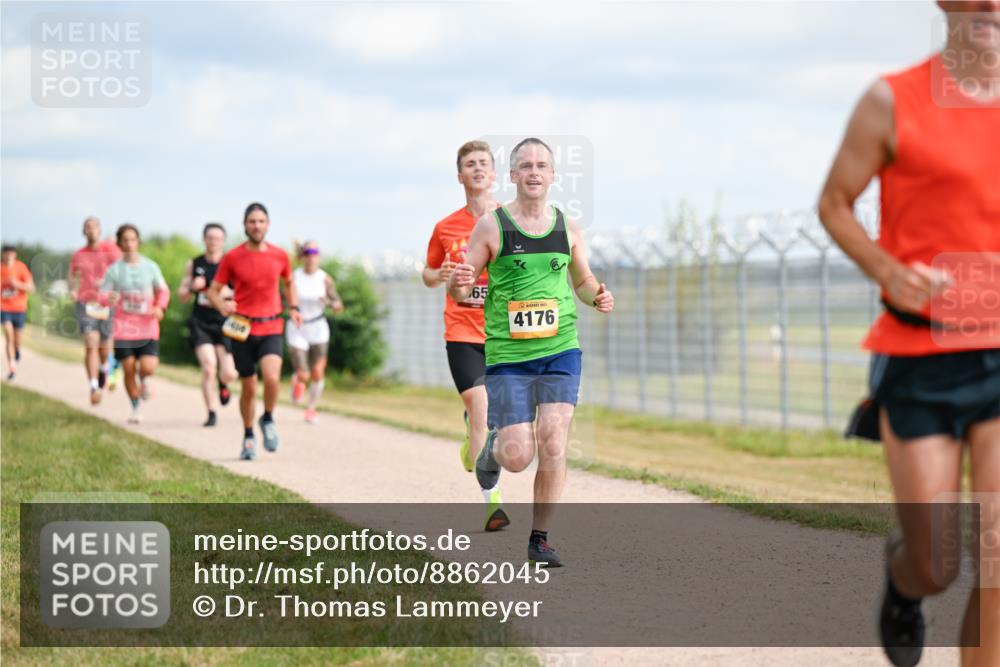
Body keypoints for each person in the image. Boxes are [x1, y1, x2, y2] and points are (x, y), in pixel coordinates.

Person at [818, 3, 1000, 665]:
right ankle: (905, 579)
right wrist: (888, 270)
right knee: (938, 562)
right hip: (923, 356)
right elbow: (835, 201)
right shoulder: (892, 99)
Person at [449, 137, 614, 567]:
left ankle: (539, 540)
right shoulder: (492, 225)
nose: (534, 172)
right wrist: (458, 281)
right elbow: (465, 286)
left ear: (554, 175)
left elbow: (582, 280)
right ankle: (493, 448)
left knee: (554, 440)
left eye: (542, 165)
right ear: (513, 175)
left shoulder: (569, 228)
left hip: (561, 350)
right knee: (518, 456)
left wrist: (596, 295)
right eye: (525, 165)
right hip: (508, 356)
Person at [424, 139, 510, 532]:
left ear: (493, 174)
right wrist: (439, 275)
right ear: (460, 176)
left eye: (483, 163)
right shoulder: (445, 227)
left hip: (503, 333)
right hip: (461, 331)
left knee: (503, 422)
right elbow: (427, 273)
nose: (477, 169)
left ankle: (473, 440)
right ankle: (491, 503)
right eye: (470, 164)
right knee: (481, 409)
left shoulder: (511, 220)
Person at [207, 203, 302, 460]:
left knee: (272, 378)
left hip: (271, 324)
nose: (256, 226)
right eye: (252, 221)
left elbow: (289, 282)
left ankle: (268, 418)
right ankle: (248, 436)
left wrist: (293, 307)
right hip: (242, 327)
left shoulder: (280, 256)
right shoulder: (232, 257)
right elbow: (213, 291)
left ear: (268, 224)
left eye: (261, 221)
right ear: (244, 225)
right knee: (248, 387)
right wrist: (223, 307)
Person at [99, 224, 170, 424]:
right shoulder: (114, 270)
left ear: (138, 241)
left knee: (147, 367)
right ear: (120, 244)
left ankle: (146, 380)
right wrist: (108, 298)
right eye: (125, 240)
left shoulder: (151, 266)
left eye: (133, 239)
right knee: (129, 368)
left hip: (148, 326)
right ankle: (136, 407)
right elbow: (102, 295)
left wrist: (160, 307)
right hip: (124, 328)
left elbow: (163, 290)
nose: (129, 243)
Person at [178, 222, 238, 427]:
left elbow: (240, 294)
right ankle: (211, 412)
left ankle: (224, 385)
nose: (214, 242)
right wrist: (192, 288)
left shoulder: (230, 265)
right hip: (201, 322)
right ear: (204, 239)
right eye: (210, 238)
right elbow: (182, 295)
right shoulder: (194, 264)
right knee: (208, 368)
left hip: (223, 322)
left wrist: (225, 294)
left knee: (229, 373)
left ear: (223, 241)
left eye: (218, 238)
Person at [286, 241, 343, 424]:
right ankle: (298, 380)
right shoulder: (293, 277)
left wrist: (328, 302)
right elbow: (284, 300)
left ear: (319, 256)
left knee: (318, 371)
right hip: (298, 327)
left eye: (315, 252)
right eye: (308, 252)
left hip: (318, 326)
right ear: (302, 256)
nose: (312, 256)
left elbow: (338, 306)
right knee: (304, 374)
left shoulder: (325, 279)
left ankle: (311, 408)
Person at [68, 216, 122, 404]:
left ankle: (105, 369)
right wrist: (73, 289)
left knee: (104, 348)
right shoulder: (78, 254)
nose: (91, 230)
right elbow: (72, 277)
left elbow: (122, 273)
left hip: (107, 303)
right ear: (84, 232)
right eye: (87, 227)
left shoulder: (111, 250)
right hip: (86, 302)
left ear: (99, 230)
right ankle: (93, 386)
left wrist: (109, 284)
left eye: (94, 227)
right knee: (91, 341)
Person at [1, 245, 35, 380]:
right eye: (6, 253)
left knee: (17, 341)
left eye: (11, 253)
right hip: (3, 307)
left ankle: (18, 350)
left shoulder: (21, 267)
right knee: (9, 335)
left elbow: (31, 288)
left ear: (15, 255)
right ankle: (12, 368)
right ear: (3, 255)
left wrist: (17, 284)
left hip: (19, 308)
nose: (8, 255)